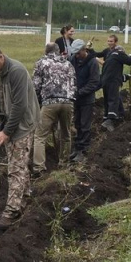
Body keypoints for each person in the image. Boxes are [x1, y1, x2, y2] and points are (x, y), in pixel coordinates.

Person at [0, 44, 39, 230]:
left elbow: (20, 106)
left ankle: (12, 211)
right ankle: (26, 195)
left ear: (1, 57)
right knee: (18, 164)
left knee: (15, 168)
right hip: (6, 121)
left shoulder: (17, 71)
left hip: (22, 124)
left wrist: (6, 132)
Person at [32, 44, 76, 173]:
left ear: (46, 51)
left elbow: (36, 86)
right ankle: (64, 163)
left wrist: (37, 103)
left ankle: (39, 167)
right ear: (59, 51)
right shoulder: (68, 64)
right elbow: (74, 84)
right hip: (68, 102)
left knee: (40, 136)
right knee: (66, 134)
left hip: (50, 102)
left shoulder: (42, 63)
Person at [88, 34, 131, 131]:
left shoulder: (109, 53)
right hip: (112, 80)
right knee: (113, 99)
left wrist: (89, 50)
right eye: (108, 41)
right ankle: (109, 121)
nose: (109, 43)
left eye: (111, 41)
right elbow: (129, 61)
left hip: (105, 79)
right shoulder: (119, 53)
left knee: (111, 98)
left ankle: (118, 115)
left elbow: (96, 55)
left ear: (115, 42)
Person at [68, 39, 99, 162]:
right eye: (74, 53)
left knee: (85, 125)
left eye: (78, 53)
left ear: (84, 50)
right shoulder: (72, 60)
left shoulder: (92, 63)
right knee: (77, 124)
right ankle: (77, 148)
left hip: (87, 99)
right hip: (76, 99)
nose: (76, 55)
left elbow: (94, 82)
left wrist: (80, 92)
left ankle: (83, 150)